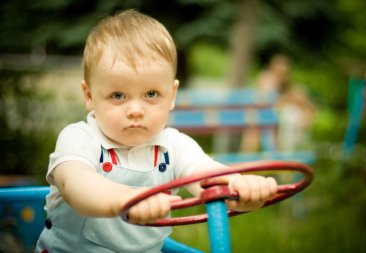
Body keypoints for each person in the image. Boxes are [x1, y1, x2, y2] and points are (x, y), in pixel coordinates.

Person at [35, 10, 278, 253]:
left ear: (171, 95)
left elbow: (210, 177)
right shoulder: (79, 138)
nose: (136, 110)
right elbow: (77, 185)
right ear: (89, 95)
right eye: (118, 95)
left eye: (151, 94)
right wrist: (125, 199)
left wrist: (241, 187)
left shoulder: (175, 145)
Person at [240, 54, 315, 152]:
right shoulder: (267, 81)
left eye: (283, 74)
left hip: (278, 123)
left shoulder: (292, 90)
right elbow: (263, 102)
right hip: (263, 120)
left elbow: (308, 107)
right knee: (255, 129)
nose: (280, 77)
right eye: (278, 72)